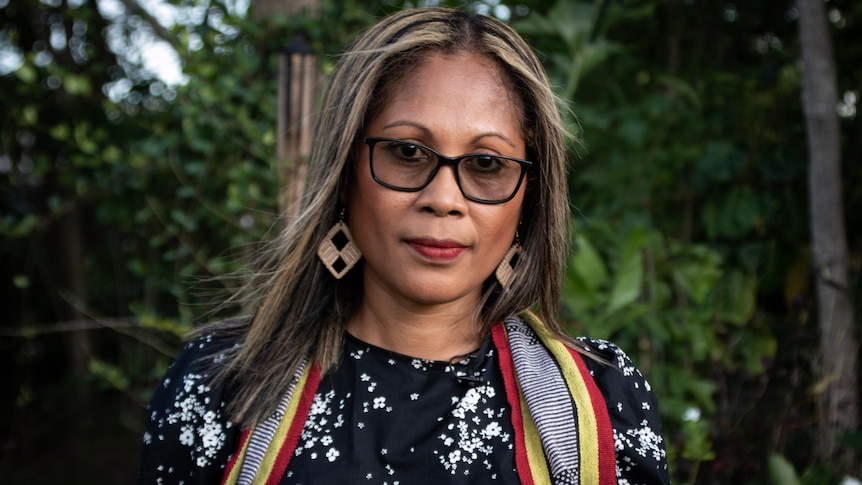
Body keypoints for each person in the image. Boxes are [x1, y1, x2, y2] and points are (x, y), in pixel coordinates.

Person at [137, 7, 670, 485]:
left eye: (487, 164)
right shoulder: (220, 385)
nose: (444, 199)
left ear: (529, 199)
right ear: (346, 173)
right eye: (407, 152)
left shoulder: (600, 404)